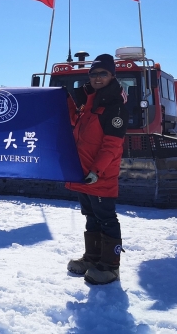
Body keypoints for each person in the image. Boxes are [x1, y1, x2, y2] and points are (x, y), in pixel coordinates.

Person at [65, 54, 128, 285]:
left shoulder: (114, 107)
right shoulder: (88, 103)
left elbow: (112, 145)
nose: (97, 78)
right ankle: (92, 258)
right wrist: (65, 99)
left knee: (106, 219)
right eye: (93, 74)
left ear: (112, 75)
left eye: (103, 73)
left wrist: (96, 171)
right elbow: (72, 123)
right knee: (90, 216)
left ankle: (111, 266)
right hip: (83, 174)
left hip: (99, 176)